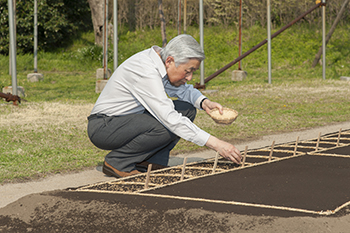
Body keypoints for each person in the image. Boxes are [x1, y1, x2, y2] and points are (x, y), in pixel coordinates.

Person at [87, 34, 241, 178]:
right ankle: (118, 162)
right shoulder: (145, 70)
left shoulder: (161, 62)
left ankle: (149, 161)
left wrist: (204, 102)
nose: (189, 77)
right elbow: (169, 118)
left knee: (186, 110)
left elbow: (182, 89)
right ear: (170, 61)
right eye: (188, 71)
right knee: (166, 123)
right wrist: (216, 144)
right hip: (104, 126)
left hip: (126, 121)